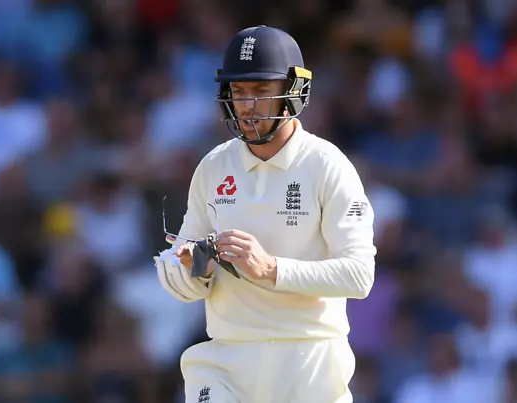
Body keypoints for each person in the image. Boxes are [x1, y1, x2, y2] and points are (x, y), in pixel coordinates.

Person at [154, 25, 376, 403]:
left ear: (293, 92)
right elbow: (182, 274)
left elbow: (359, 276)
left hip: (310, 362)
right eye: (239, 92)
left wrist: (271, 269)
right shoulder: (213, 167)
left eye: (261, 92)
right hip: (226, 359)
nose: (247, 105)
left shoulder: (327, 166)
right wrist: (195, 268)